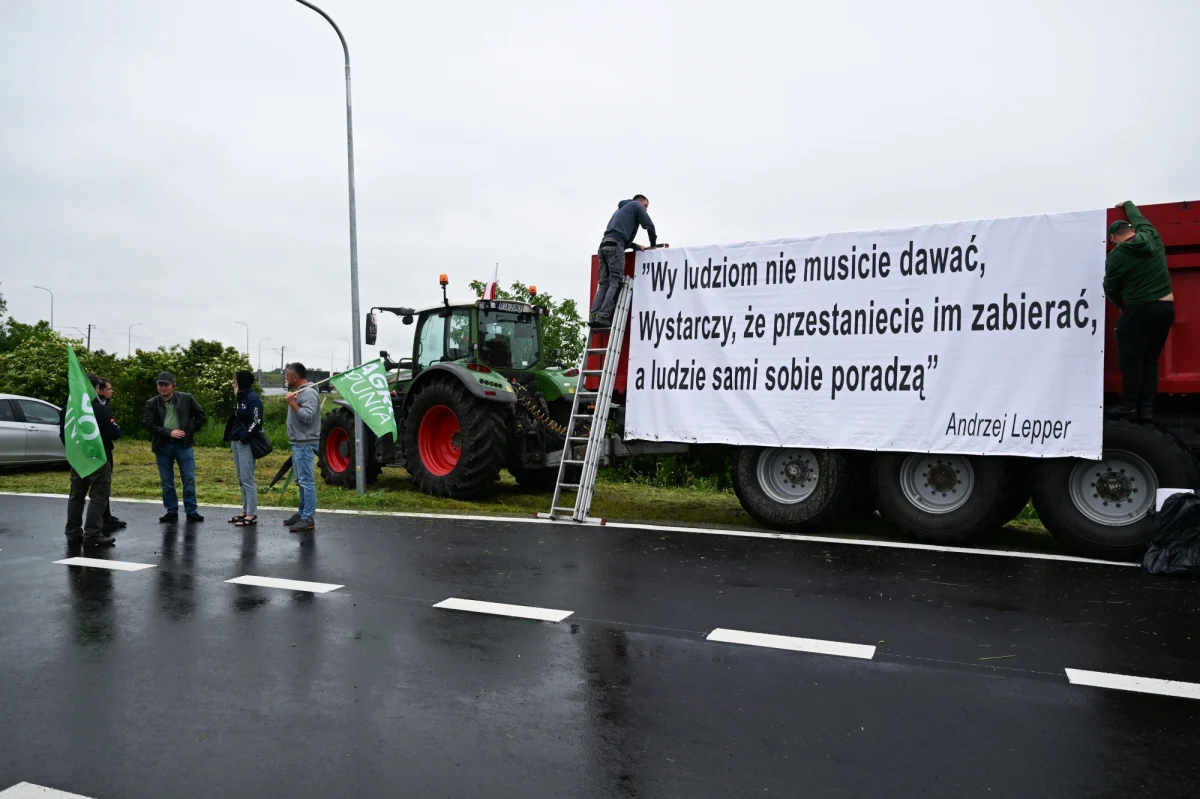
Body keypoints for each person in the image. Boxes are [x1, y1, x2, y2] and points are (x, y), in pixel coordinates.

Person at [1104, 201, 1175, 421]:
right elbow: (1138, 218)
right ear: (1133, 230)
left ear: (1113, 238)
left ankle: (1129, 405)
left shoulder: (1117, 255)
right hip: (1167, 307)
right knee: (1149, 359)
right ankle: (1146, 408)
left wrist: (1123, 306)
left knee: (1131, 358)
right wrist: (1128, 204)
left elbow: (1110, 287)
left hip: (1140, 308)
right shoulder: (1151, 234)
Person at [61, 373, 121, 547]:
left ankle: (72, 532)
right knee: (98, 495)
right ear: (93, 389)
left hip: (78, 456)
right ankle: (93, 534)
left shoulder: (68, 408)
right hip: (98, 456)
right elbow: (114, 433)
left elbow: (63, 434)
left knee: (76, 495)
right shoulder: (98, 408)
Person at [143, 371, 207, 523]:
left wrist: (188, 430)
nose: (163, 388)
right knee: (166, 480)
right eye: (160, 385)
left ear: (173, 385)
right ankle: (171, 510)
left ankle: (191, 510)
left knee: (189, 478)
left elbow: (201, 416)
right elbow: (148, 424)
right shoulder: (152, 403)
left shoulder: (186, 398)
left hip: (183, 445)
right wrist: (168, 433)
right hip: (163, 445)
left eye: (166, 385)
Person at [590, 194, 657, 328]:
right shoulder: (636, 205)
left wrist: (633, 245)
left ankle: (593, 316)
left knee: (603, 284)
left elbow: (616, 233)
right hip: (615, 247)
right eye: (645, 206)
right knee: (615, 281)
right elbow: (649, 225)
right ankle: (603, 316)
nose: (646, 210)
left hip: (603, 246)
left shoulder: (621, 210)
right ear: (639, 202)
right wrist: (653, 244)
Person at [282, 362, 320, 533]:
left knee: (306, 481)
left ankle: (308, 517)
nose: (286, 378)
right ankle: (302, 512)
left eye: (287, 376)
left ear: (295, 377)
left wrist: (293, 404)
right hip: (297, 443)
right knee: (301, 481)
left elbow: (308, 417)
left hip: (305, 444)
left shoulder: (309, 394)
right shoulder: (299, 392)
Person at [224, 370, 263, 527]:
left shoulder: (252, 398)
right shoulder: (240, 396)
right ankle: (245, 511)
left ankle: (252, 513)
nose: (233, 382)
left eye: (235, 379)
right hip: (236, 441)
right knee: (241, 478)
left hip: (245, 443)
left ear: (242, 381)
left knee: (248, 479)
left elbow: (257, 420)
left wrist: (245, 435)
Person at [95, 378, 127, 533]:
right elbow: (114, 432)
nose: (111, 391)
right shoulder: (100, 408)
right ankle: (99, 521)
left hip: (103, 449)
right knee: (100, 487)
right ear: (99, 391)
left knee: (103, 486)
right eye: (108, 388)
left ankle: (106, 515)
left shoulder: (104, 406)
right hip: (101, 451)